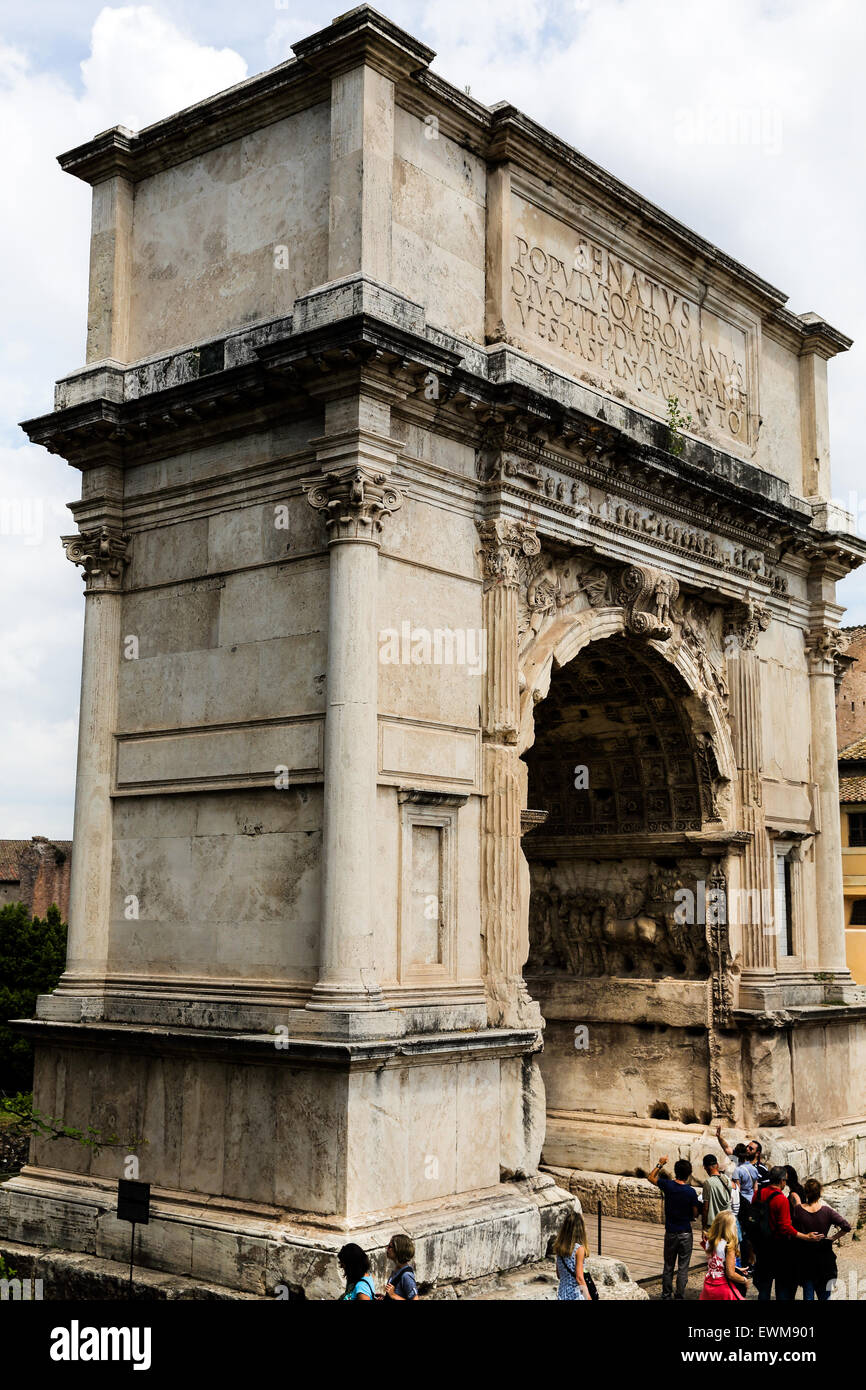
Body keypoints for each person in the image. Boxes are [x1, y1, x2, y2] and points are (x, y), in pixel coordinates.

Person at [750, 1166, 822, 1301]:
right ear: (782, 1181)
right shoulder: (781, 1199)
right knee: (782, 1286)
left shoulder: (758, 1194)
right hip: (778, 1248)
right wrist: (805, 1236)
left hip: (761, 1245)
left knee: (764, 1287)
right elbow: (785, 1227)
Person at [648, 1154, 701, 1300]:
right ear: (689, 1174)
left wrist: (660, 1164)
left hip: (671, 1232)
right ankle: (679, 1296)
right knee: (683, 1267)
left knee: (668, 1266)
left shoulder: (668, 1185)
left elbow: (651, 1177)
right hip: (685, 1232)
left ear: (676, 1171)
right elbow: (695, 1213)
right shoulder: (691, 1192)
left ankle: (666, 1295)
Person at [792, 1178, 852, 1301]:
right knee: (825, 1296)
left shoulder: (798, 1210)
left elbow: (791, 1231)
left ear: (806, 1193)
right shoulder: (827, 1211)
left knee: (808, 1295)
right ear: (819, 1193)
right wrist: (832, 1238)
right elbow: (846, 1226)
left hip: (805, 1259)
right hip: (824, 1259)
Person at [699, 1210, 749, 1302]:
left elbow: (717, 1262)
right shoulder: (728, 1245)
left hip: (708, 1285)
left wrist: (736, 1268)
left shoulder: (709, 1241)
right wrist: (744, 1280)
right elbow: (730, 1274)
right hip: (723, 1288)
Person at [553, 1208, 592, 1301]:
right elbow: (579, 1278)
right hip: (576, 1295)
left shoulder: (559, 1248)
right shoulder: (579, 1250)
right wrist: (588, 1297)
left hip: (562, 1293)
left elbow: (559, 1274)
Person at [382, 1234, 419, 1301]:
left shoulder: (406, 1275)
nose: (387, 1249)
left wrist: (393, 1295)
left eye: (390, 1247)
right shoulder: (397, 1270)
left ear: (398, 1250)